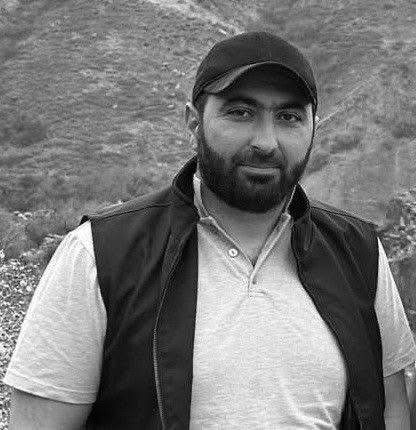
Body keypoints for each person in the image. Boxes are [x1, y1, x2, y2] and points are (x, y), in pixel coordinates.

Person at [3, 31, 416, 430]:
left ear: (314, 128)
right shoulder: (100, 255)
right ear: (193, 121)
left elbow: (390, 412)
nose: (266, 142)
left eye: (289, 117)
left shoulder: (358, 253)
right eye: (240, 113)